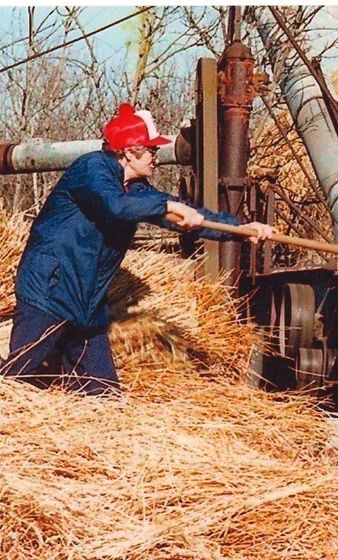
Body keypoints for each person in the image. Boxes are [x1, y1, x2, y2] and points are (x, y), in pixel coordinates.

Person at [0, 103, 272, 396]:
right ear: (129, 152)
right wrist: (169, 205)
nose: (156, 158)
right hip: (49, 290)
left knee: (102, 393)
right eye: (152, 151)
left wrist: (243, 230)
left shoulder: (139, 190)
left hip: (86, 300)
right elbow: (116, 206)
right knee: (15, 378)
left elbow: (190, 217)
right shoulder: (91, 168)